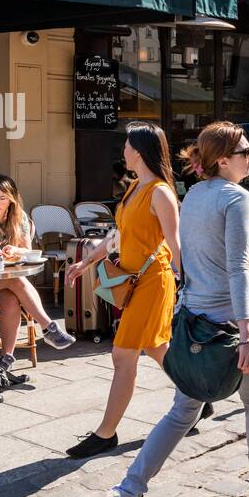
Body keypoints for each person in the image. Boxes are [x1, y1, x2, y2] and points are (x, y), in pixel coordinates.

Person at [96, 122, 249, 497]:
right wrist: (247, 331)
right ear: (223, 160)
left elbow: (196, 262)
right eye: (246, 151)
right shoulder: (237, 198)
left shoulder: (193, 196)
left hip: (196, 318)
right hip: (228, 324)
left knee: (183, 410)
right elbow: (235, 267)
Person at [65, 122, 181, 458]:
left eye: (128, 145)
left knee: (122, 355)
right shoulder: (133, 188)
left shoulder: (160, 192)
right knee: (157, 347)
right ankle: (195, 398)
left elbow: (176, 244)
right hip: (133, 279)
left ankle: (106, 433)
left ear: (141, 151)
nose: (124, 150)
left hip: (154, 281)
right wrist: (86, 262)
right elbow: (118, 236)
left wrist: (196, 284)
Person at [0, 173, 75, 369]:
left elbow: (27, 252)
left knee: (11, 300)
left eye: (1, 198)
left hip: (5, 280)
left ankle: (5, 359)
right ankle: (48, 327)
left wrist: (16, 250)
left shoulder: (19, 217)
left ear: (11, 198)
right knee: (15, 281)